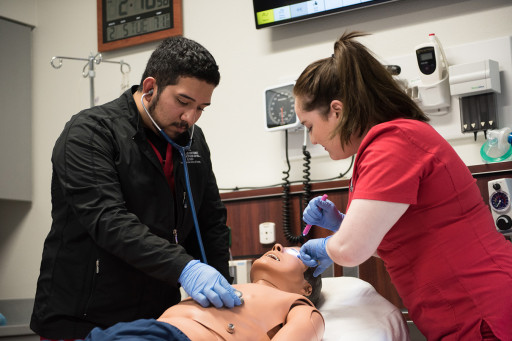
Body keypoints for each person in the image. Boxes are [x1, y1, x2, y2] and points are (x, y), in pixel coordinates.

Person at [295, 31, 512, 340]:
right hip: (461, 311)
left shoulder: (393, 144)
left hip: (482, 307)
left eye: (310, 127)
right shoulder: (388, 143)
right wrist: (342, 225)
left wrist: (331, 246)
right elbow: (404, 242)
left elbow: (353, 249)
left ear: (337, 111)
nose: (313, 140)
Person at [31, 36, 241, 340]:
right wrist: (186, 268)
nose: (190, 118)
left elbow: (210, 223)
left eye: (201, 108)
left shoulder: (192, 142)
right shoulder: (89, 134)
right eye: (183, 102)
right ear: (150, 87)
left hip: (158, 316)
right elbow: (109, 221)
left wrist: (221, 290)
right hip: (85, 319)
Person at [85, 244, 324, 340]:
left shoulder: (299, 304)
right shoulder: (226, 287)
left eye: (294, 252)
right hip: (140, 329)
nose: (277, 246)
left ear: (307, 287)